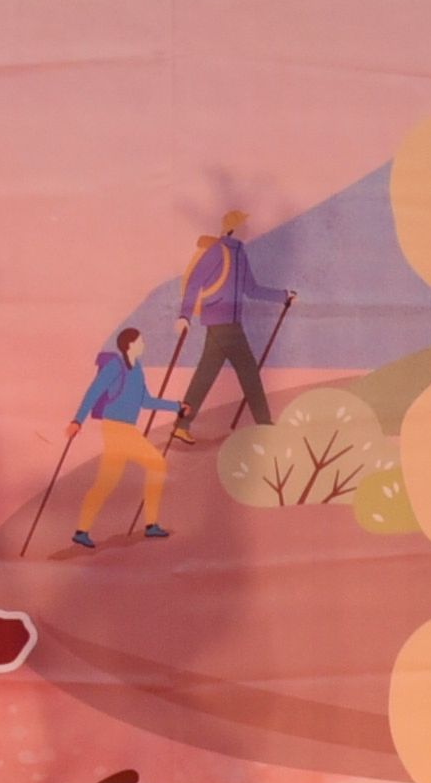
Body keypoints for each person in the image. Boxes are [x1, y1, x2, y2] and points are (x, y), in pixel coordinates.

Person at [168, 208, 281, 439]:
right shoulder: (217, 251)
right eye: (243, 224)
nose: (247, 228)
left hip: (228, 323)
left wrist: (284, 295)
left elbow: (252, 290)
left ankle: (182, 425)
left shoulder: (241, 254)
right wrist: (184, 316)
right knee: (248, 371)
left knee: (205, 374)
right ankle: (263, 423)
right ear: (233, 228)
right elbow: (193, 283)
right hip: (223, 323)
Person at [71, 324, 177, 546]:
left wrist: (177, 406)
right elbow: (93, 392)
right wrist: (77, 420)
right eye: (140, 341)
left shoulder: (137, 369)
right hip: (116, 429)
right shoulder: (115, 366)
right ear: (130, 344)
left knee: (106, 481)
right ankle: (151, 525)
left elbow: (146, 401)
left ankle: (81, 531)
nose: (144, 344)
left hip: (124, 430)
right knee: (156, 464)